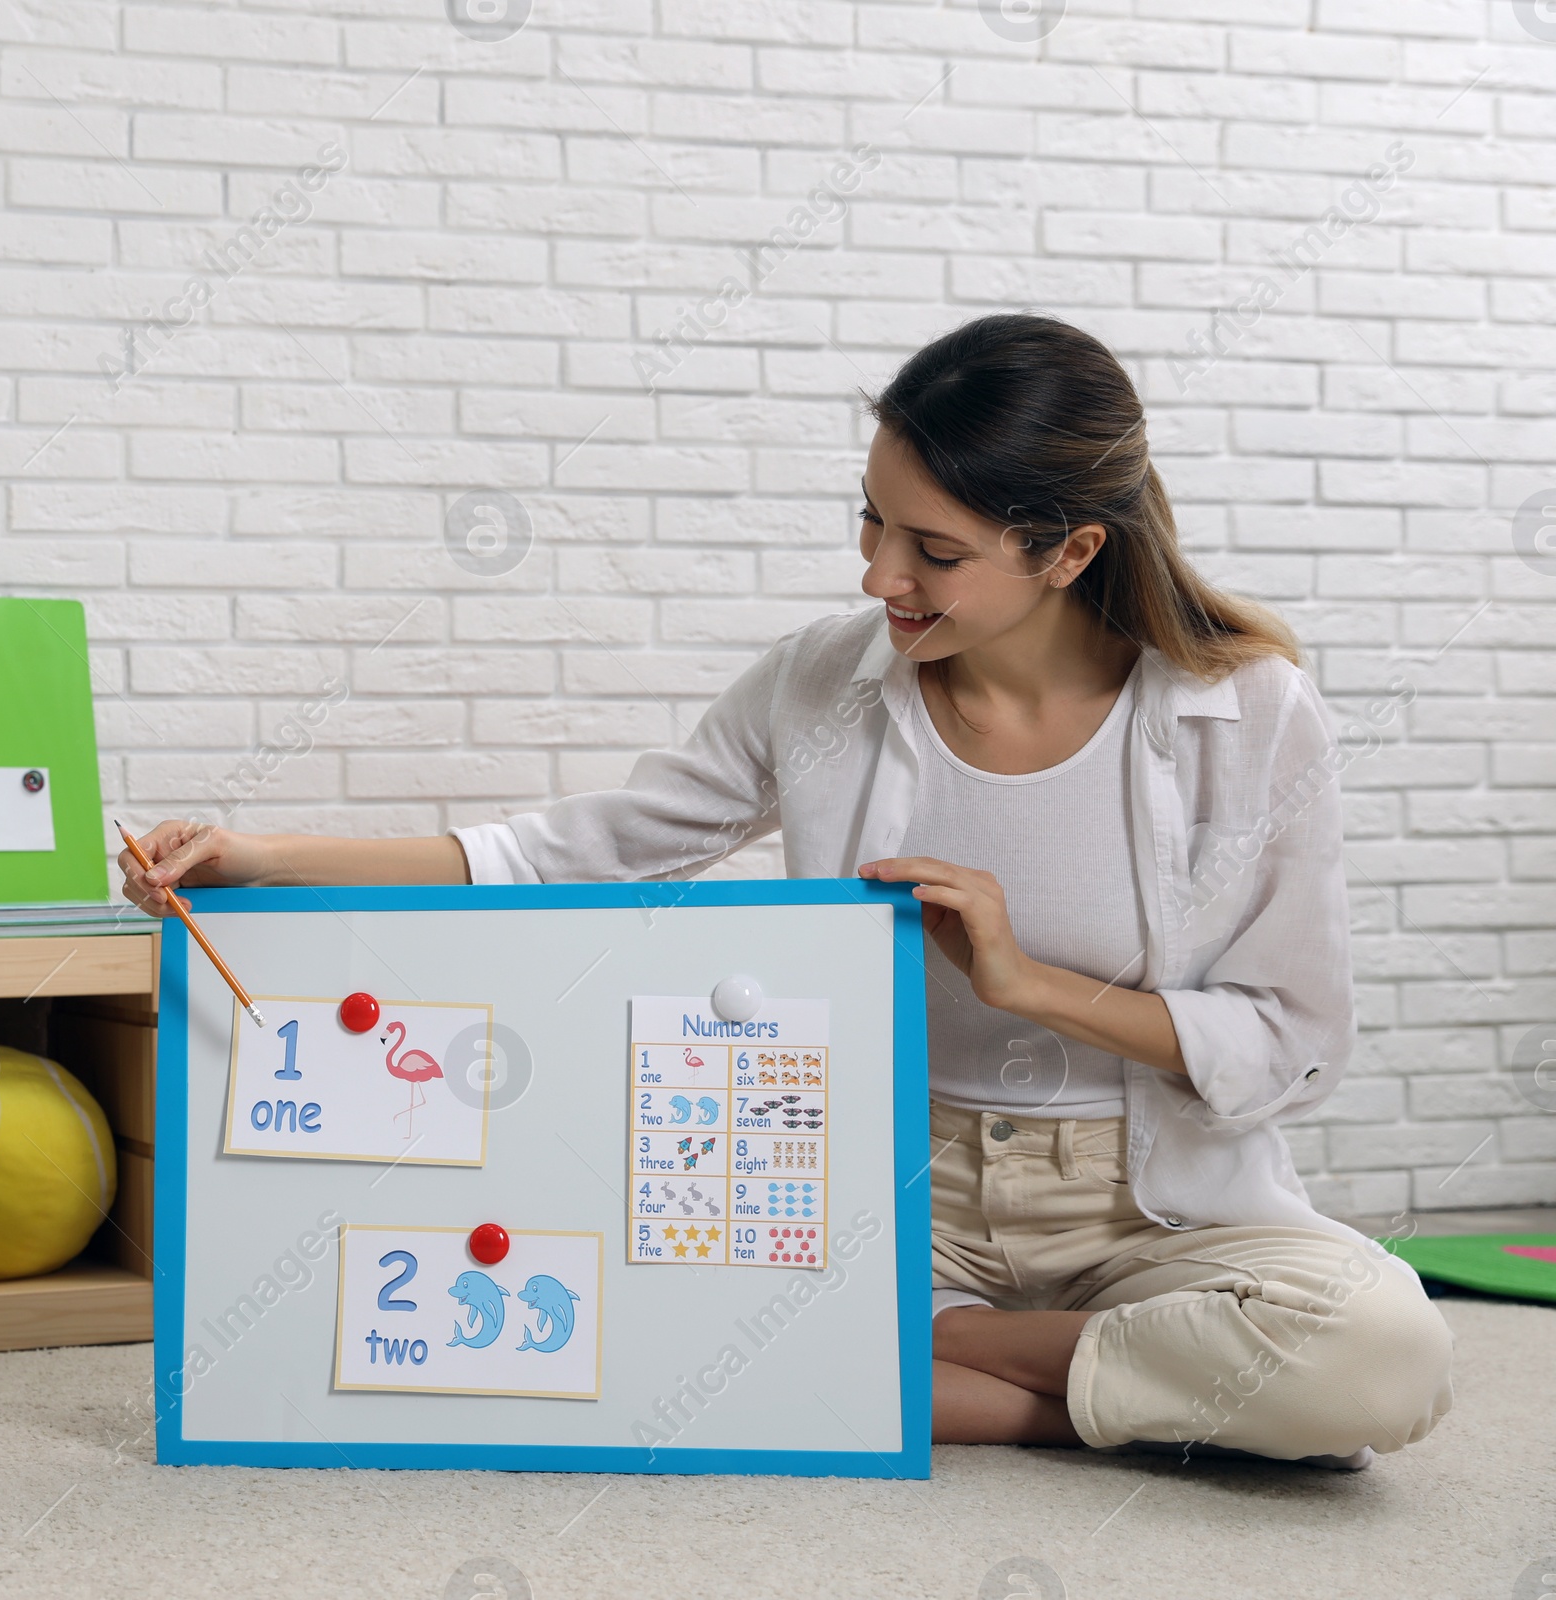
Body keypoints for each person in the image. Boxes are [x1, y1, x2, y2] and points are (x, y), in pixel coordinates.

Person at [120, 312, 1453, 1466]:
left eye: (934, 550)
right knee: (638, 1345)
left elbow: (1292, 1043)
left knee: (1381, 1353)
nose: (880, 575)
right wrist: (265, 861)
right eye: (871, 519)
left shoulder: (1249, 713)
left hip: (1144, 1204)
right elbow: (568, 851)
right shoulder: (822, 682)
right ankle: (1109, 1396)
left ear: (1069, 551)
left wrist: (1028, 983)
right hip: (895, 1185)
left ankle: (948, 1370)